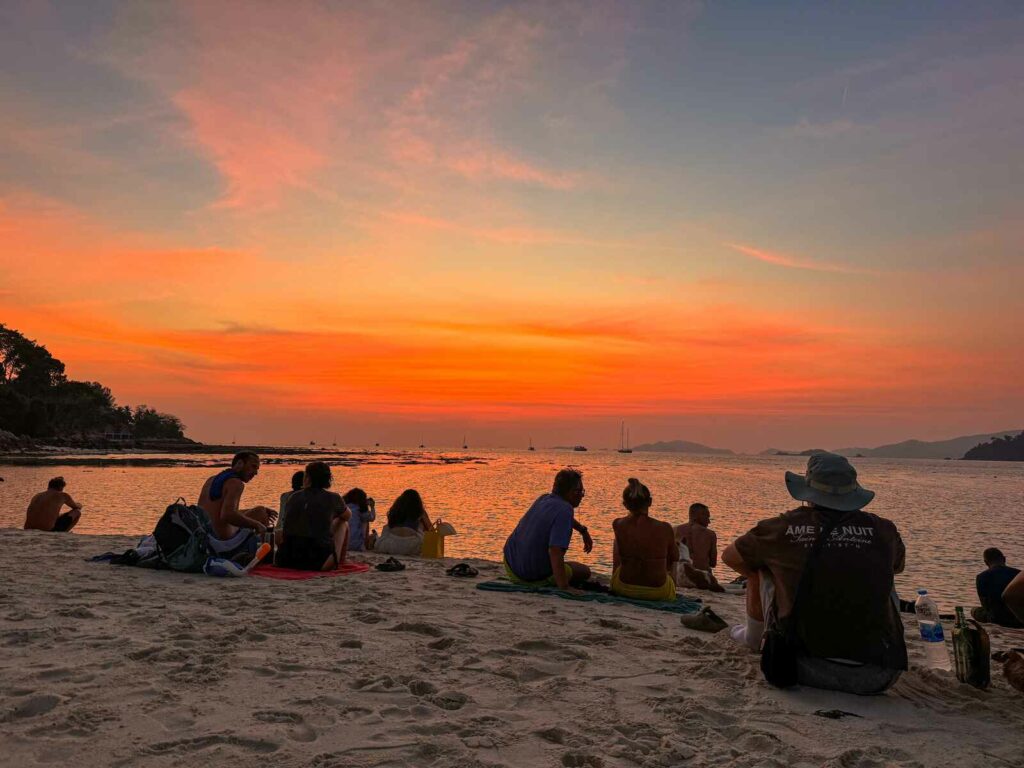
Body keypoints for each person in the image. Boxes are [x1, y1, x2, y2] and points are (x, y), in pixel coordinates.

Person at [722, 452, 907, 694]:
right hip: (879, 674)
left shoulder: (782, 527)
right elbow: (898, 567)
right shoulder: (884, 529)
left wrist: (784, 577)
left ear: (809, 493)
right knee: (884, 571)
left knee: (761, 565)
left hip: (798, 666)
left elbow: (729, 557)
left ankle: (753, 637)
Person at [502, 469, 592, 590]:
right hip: (530, 577)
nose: (582, 496)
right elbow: (555, 551)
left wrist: (582, 530)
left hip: (510, 565)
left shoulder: (543, 499)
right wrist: (564, 587)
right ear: (573, 492)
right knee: (584, 571)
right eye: (580, 492)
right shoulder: (565, 510)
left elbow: (561, 518)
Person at [197, 451, 277, 560]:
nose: (255, 472)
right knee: (261, 513)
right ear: (239, 464)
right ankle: (267, 556)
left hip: (206, 537)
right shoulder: (236, 483)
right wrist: (258, 525)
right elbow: (227, 515)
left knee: (259, 511)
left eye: (257, 469)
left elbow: (220, 511)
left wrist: (251, 513)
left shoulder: (211, 480)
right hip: (222, 541)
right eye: (253, 467)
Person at [611, 478, 679, 600]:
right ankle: (673, 587)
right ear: (650, 502)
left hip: (624, 587)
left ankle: (613, 578)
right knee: (672, 554)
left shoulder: (618, 524)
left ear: (625, 505)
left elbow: (619, 556)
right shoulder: (665, 527)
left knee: (617, 542)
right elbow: (674, 557)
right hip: (658, 592)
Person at [277, 461, 350, 571]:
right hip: (318, 562)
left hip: (287, 559)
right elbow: (347, 516)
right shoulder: (333, 498)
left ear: (307, 478)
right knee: (343, 523)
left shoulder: (293, 497)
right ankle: (341, 560)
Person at [674, 503, 724, 592]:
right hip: (702, 581)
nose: (709, 521)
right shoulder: (710, 534)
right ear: (697, 516)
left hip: (679, 580)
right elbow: (713, 563)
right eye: (707, 517)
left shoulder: (675, 530)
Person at [973, 548, 1023, 628]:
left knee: (974, 611)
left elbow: (985, 605)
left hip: (996, 619)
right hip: (1018, 619)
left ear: (986, 562)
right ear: (1004, 559)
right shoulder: (1019, 574)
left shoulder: (981, 577)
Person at [374, 489, 432, 556]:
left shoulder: (395, 510)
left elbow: (390, 525)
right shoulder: (420, 512)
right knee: (421, 526)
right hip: (412, 546)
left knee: (388, 527)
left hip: (390, 545)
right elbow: (430, 530)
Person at [342, 488, 376, 552]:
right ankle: (364, 544)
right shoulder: (360, 509)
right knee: (365, 520)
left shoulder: (343, 507)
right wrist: (372, 507)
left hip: (342, 543)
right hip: (356, 545)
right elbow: (372, 518)